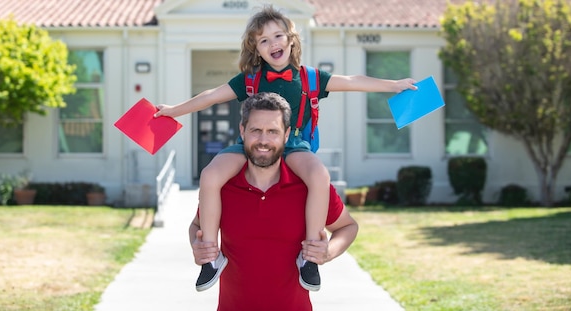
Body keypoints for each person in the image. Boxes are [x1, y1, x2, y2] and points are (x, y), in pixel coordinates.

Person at [155, 5, 416, 292]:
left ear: (291, 39)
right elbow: (212, 96)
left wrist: (393, 84)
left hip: (294, 144)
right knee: (210, 174)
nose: (273, 44)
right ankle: (210, 257)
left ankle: (310, 258)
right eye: (263, 40)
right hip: (251, 144)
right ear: (256, 49)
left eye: (278, 36)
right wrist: (174, 110)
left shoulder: (311, 78)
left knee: (318, 174)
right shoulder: (250, 79)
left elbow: (354, 81)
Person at [189, 92, 359, 310]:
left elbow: (348, 227)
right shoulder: (223, 186)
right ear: (242, 131)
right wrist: (198, 245)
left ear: (287, 135)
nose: (263, 140)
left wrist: (328, 252)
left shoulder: (309, 188)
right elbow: (197, 226)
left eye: (272, 132)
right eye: (255, 131)